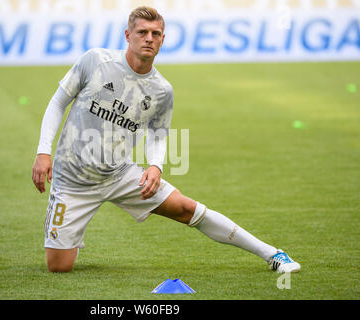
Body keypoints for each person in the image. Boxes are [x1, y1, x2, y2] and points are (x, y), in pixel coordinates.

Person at [32, 6, 301, 274]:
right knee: (59, 267)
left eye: (156, 33)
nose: (149, 38)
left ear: (162, 40)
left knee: (186, 208)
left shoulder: (162, 90)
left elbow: (158, 134)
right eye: (142, 32)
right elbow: (58, 103)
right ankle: (70, 233)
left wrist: (155, 166)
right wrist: (44, 152)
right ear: (128, 35)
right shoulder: (95, 61)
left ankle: (272, 254)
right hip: (72, 181)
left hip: (119, 175)